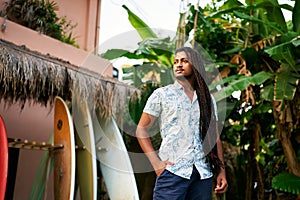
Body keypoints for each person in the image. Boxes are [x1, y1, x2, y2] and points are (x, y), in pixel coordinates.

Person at [136, 46, 228, 200]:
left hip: (201, 173)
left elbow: (214, 135)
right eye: (176, 61)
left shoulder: (207, 99)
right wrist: (157, 164)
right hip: (172, 173)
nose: (178, 64)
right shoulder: (162, 95)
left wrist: (222, 171)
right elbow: (141, 130)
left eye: (184, 61)